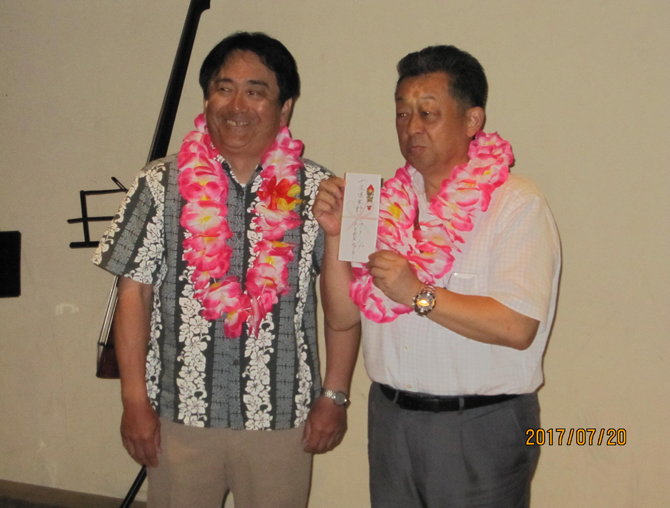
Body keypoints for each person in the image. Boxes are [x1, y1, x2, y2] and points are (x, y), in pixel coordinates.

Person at [94, 32, 359, 508]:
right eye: (224, 88)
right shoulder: (159, 183)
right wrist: (133, 401)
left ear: (284, 108)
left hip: (281, 416)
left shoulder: (320, 190)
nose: (237, 105)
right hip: (179, 413)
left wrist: (334, 396)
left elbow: (343, 308)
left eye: (256, 92)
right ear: (206, 99)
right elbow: (133, 294)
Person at [313, 44, 561, 507]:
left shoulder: (516, 204)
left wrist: (418, 294)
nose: (412, 127)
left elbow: (517, 326)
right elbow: (344, 316)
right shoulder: (379, 204)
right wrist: (334, 235)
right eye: (402, 113)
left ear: (472, 120)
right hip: (391, 419)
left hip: (480, 426)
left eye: (428, 113)